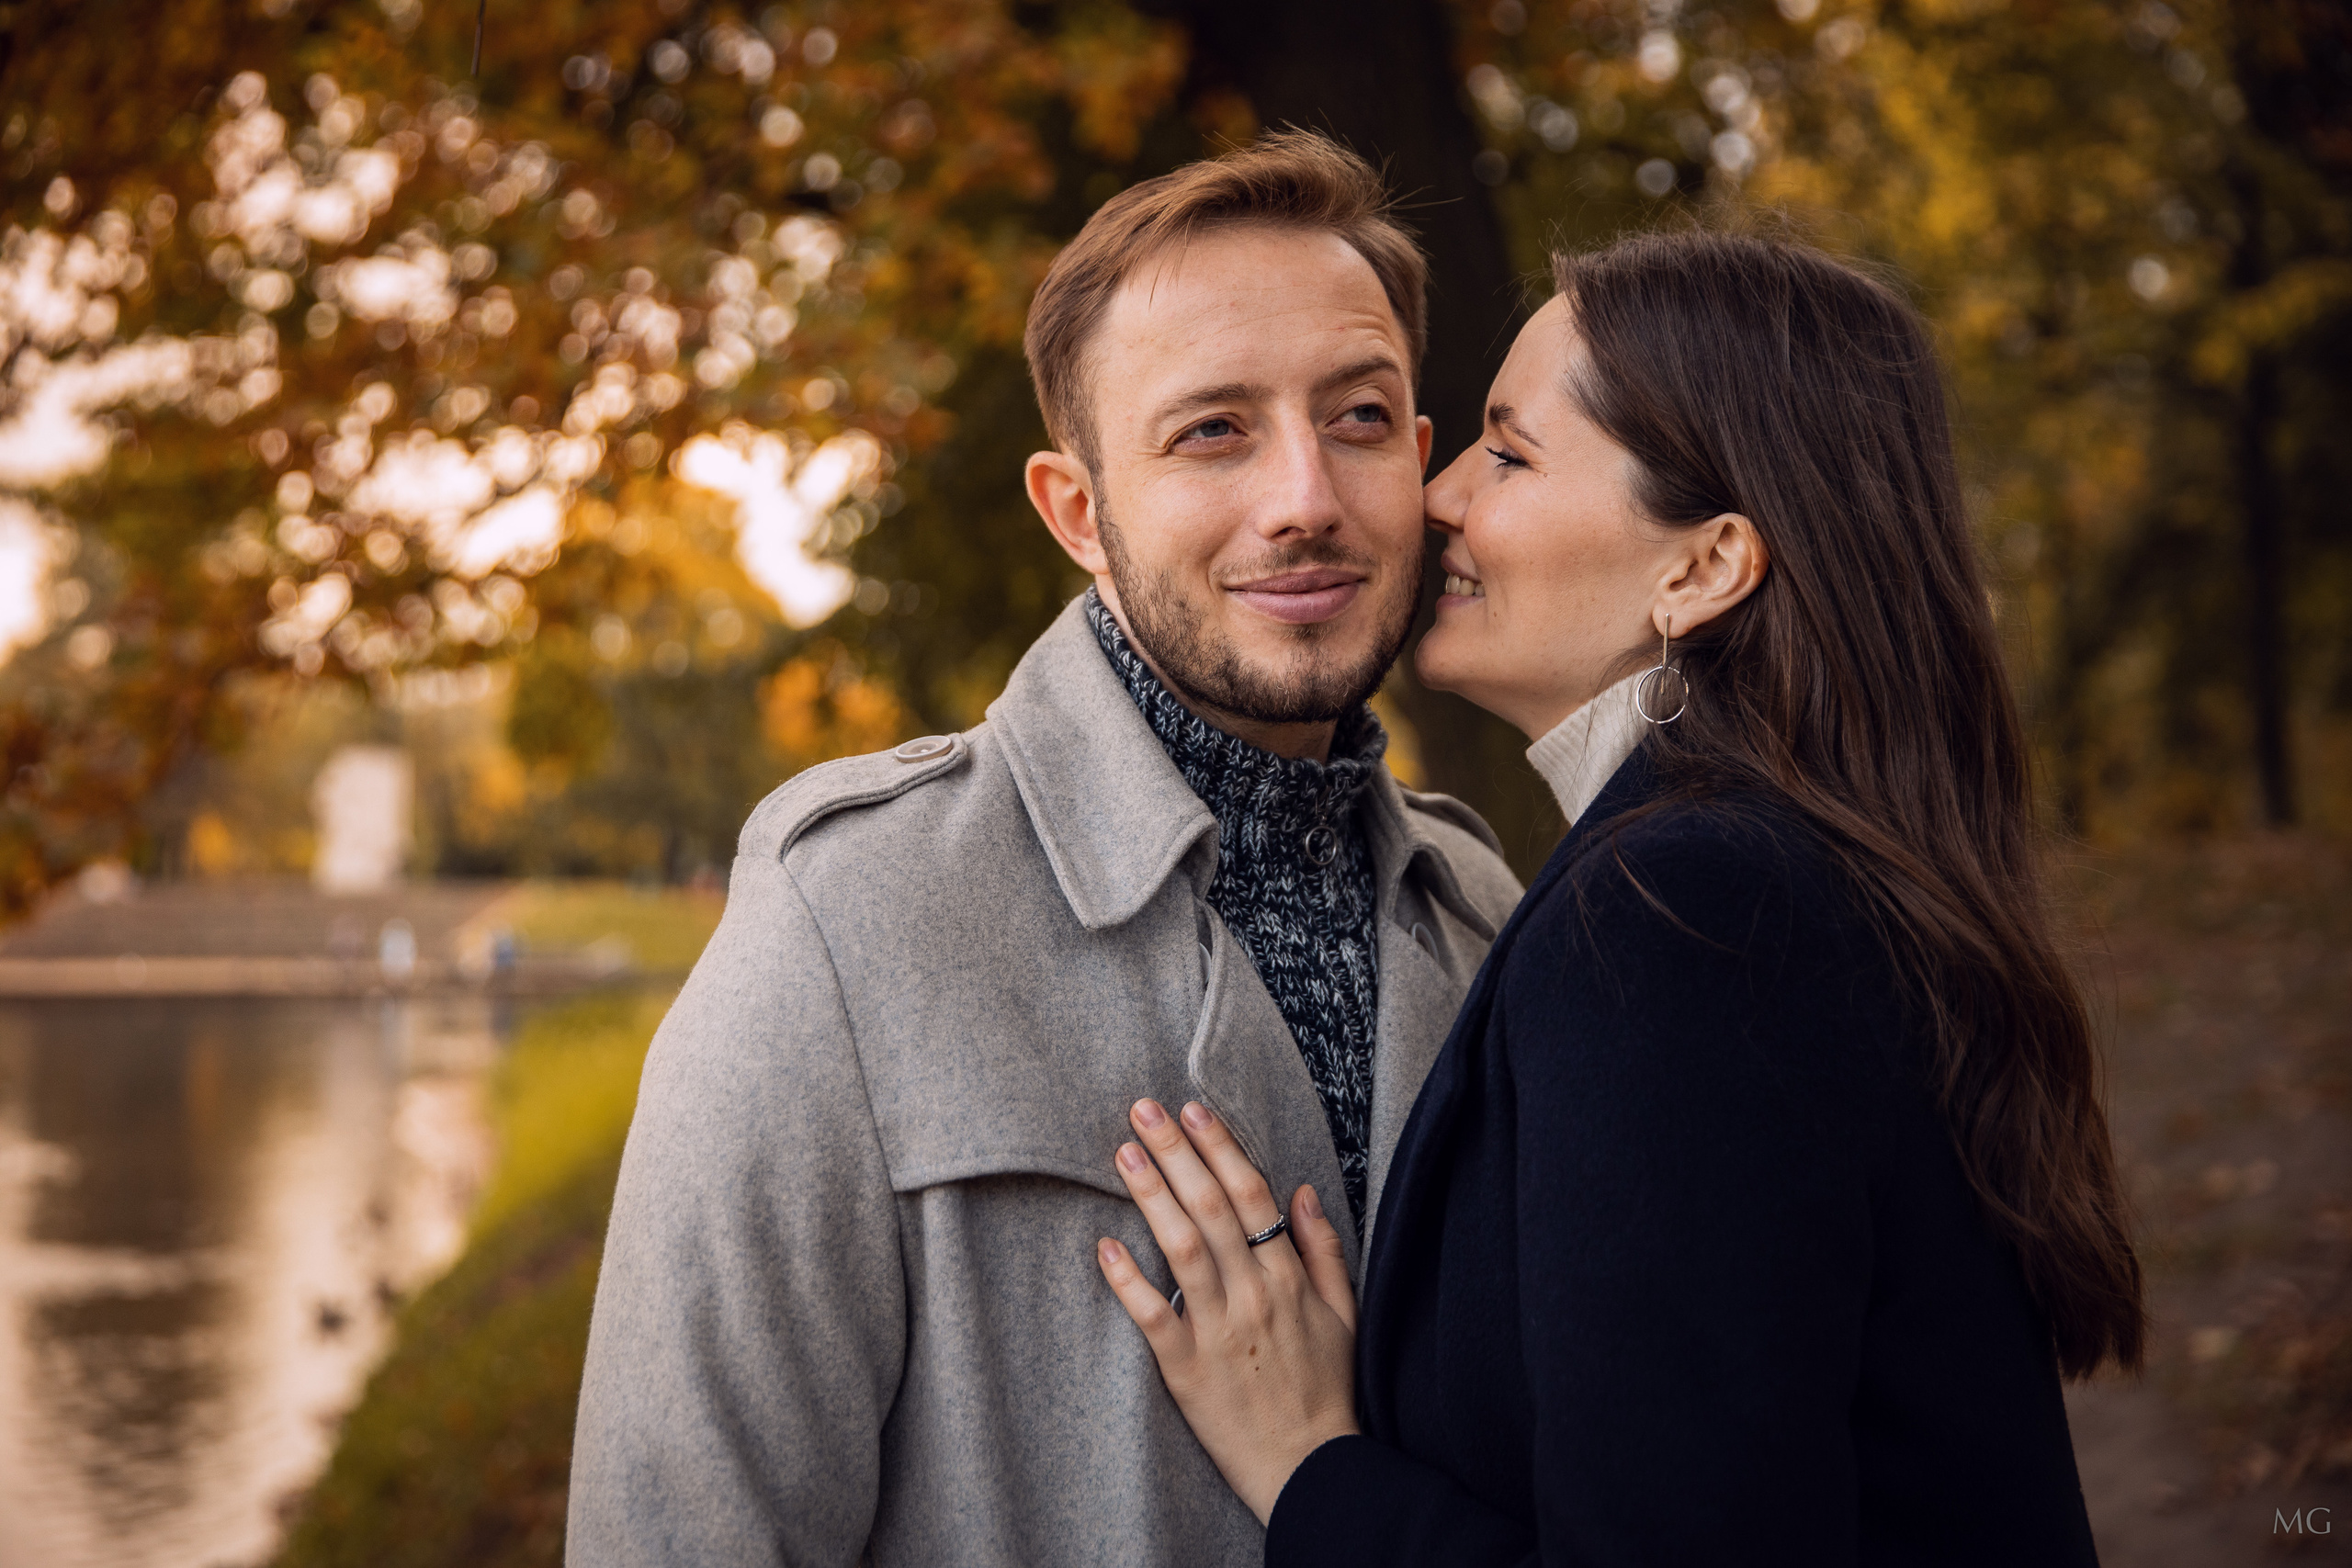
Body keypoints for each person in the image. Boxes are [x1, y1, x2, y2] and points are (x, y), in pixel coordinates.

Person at [1093, 230, 2147, 1564]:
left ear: (1703, 567)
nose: (1436, 497)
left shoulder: (1687, 911)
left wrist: (1313, 1468)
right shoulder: (1786, 869)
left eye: (1511, 453)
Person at [564, 131, 1523, 1567]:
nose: (1306, 496)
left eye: (1362, 418)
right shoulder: (852, 919)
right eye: (1214, 430)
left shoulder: (1491, 912)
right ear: (1078, 512)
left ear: (1421, 461)